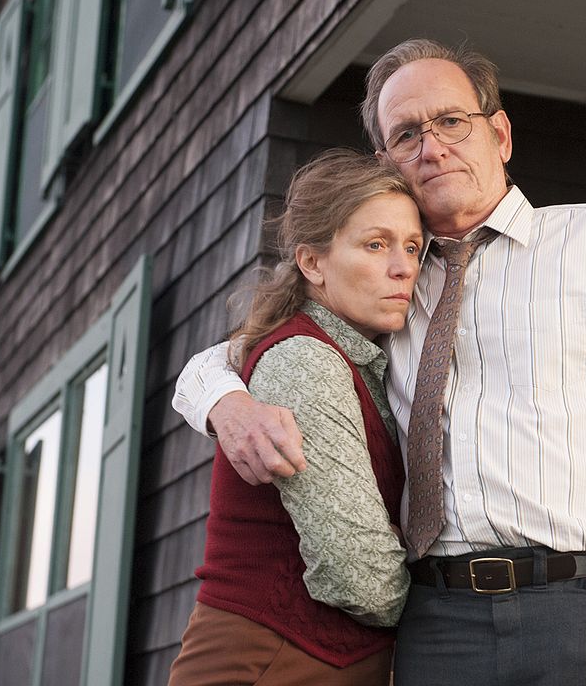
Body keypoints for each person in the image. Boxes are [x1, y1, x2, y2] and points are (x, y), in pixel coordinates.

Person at [173, 40, 586, 685]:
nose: (431, 146)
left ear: (499, 134)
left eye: (451, 121)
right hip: (436, 629)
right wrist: (227, 403)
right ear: (388, 160)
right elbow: (237, 355)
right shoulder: (392, 282)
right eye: (406, 133)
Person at [167, 149, 423, 686]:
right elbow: (358, 575)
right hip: (270, 661)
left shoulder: (360, 359)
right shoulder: (305, 359)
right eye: (375, 245)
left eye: (413, 247)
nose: (403, 267)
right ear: (312, 263)